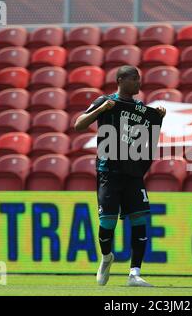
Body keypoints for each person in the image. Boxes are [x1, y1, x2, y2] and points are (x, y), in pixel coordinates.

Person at [74, 65, 166, 287]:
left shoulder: (140, 109)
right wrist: (102, 109)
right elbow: (78, 124)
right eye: (135, 78)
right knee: (107, 222)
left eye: (139, 78)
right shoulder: (105, 102)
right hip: (109, 172)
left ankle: (134, 274)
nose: (138, 82)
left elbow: (147, 138)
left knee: (140, 219)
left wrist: (158, 116)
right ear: (121, 80)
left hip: (132, 173)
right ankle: (106, 257)